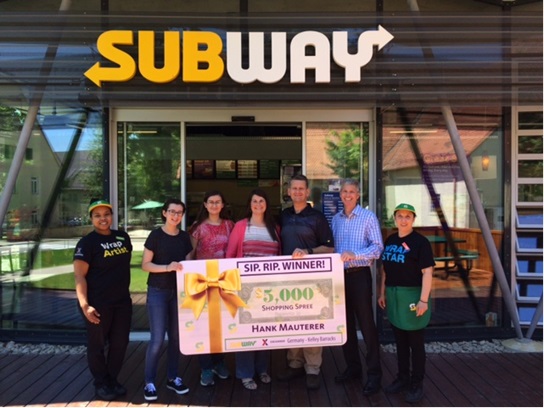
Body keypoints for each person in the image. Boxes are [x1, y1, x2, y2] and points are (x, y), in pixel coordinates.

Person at [276, 174, 334, 390]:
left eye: (302, 189)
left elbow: (329, 247)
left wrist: (308, 251)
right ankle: (295, 364)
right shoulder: (283, 216)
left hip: (312, 280)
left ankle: (312, 368)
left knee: (311, 322)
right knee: (291, 322)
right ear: (289, 192)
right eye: (294, 189)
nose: (298, 192)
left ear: (307, 192)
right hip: (287, 280)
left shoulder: (317, 217)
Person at [73, 199, 132, 401]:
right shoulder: (86, 243)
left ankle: (112, 380)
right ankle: (101, 383)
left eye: (106, 214)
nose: (103, 219)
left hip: (122, 302)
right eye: (97, 215)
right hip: (97, 304)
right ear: (91, 219)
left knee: (120, 343)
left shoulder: (123, 238)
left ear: (112, 216)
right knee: (97, 346)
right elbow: (79, 276)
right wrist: (84, 305)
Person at [331, 179, 384, 396]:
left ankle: (374, 374)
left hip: (359, 275)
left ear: (358, 194)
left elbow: (378, 247)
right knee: (345, 325)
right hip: (339, 277)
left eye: (352, 191)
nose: (348, 195)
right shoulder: (335, 219)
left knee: (366, 325)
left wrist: (356, 255)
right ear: (340, 194)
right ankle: (353, 368)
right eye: (344, 191)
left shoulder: (368, 217)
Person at [378, 203, 434, 403]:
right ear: (394, 218)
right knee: (400, 342)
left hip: (412, 296)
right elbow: (385, 269)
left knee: (415, 343)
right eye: (400, 216)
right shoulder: (391, 239)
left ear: (413, 219)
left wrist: (423, 300)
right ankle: (402, 378)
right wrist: (382, 292)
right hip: (394, 296)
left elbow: (427, 272)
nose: (403, 220)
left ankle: (416, 382)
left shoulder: (420, 242)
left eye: (407, 216)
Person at [226, 189, 281, 390]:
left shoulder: (274, 228)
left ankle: (262, 369)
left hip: (268, 290)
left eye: (262, 201)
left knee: (264, 330)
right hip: (244, 289)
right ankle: (245, 373)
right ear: (249, 204)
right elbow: (230, 255)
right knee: (246, 332)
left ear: (267, 204)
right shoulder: (241, 226)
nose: (258, 204)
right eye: (254, 201)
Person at [141, 198, 192, 401]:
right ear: (164, 213)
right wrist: (167, 268)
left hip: (178, 293)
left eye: (179, 212)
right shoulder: (155, 236)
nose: (175, 215)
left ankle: (173, 377)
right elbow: (145, 265)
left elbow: (188, 265)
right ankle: (149, 381)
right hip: (158, 291)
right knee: (157, 339)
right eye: (172, 211)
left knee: (176, 338)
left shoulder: (184, 237)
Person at [189, 190, 235, 387]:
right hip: (203, 283)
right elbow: (190, 254)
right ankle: (206, 367)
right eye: (211, 202)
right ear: (205, 205)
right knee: (203, 328)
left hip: (225, 282)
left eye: (218, 202)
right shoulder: (198, 228)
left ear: (223, 205)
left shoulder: (230, 226)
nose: (214, 205)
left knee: (221, 326)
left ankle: (219, 362)